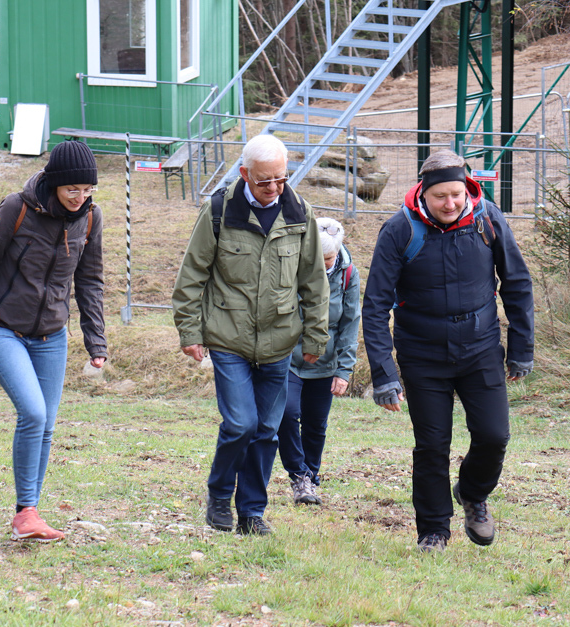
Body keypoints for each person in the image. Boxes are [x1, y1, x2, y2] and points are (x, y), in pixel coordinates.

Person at [362, 150, 534, 553]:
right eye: (440, 196)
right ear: (424, 193)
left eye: (456, 194)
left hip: (481, 348)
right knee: (432, 446)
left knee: (494, 436)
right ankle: (434, 530)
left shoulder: (488, 219)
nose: (450, 203)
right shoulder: (399, 230)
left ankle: (473, 493)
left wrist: (521, 348)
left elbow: (516, 282)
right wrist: (384, 375)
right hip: (422, 354)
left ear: (467, 188)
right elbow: (374, 306)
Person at [0, 140, 107, 543]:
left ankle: (29, 512)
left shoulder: (90, 219)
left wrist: (96, 342)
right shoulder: (16, 209)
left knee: (47, 424)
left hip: (52, 335)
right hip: (1, 327)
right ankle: (25, 513)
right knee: (34, 414)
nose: (80, 197)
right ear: (54, 184)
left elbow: (90, 281)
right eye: (72, 189)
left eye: (87, 190)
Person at [172, 133, 329, 536]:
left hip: (279, 342)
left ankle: (251, 512)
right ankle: (219, 495)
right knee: (241, 424)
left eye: (281, 178)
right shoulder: (219, 212)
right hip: (229, 338)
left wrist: (316, 336)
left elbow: (314, 281)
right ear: (244, 174)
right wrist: (189, 331)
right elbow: (192, 275)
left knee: (266, 431)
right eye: (264, 180)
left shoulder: (300, 214)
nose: (274, 187)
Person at [277, 217, 360, 506]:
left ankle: (309, 479)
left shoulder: (348, 274)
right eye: (318, 258)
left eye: (329, 259)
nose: (323, 265)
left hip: (325, 361)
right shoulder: (289, 267)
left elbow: (350, 324)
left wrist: (344, 370)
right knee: (286, 414)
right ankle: (298, 474)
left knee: (315, 425)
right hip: (287, 357)